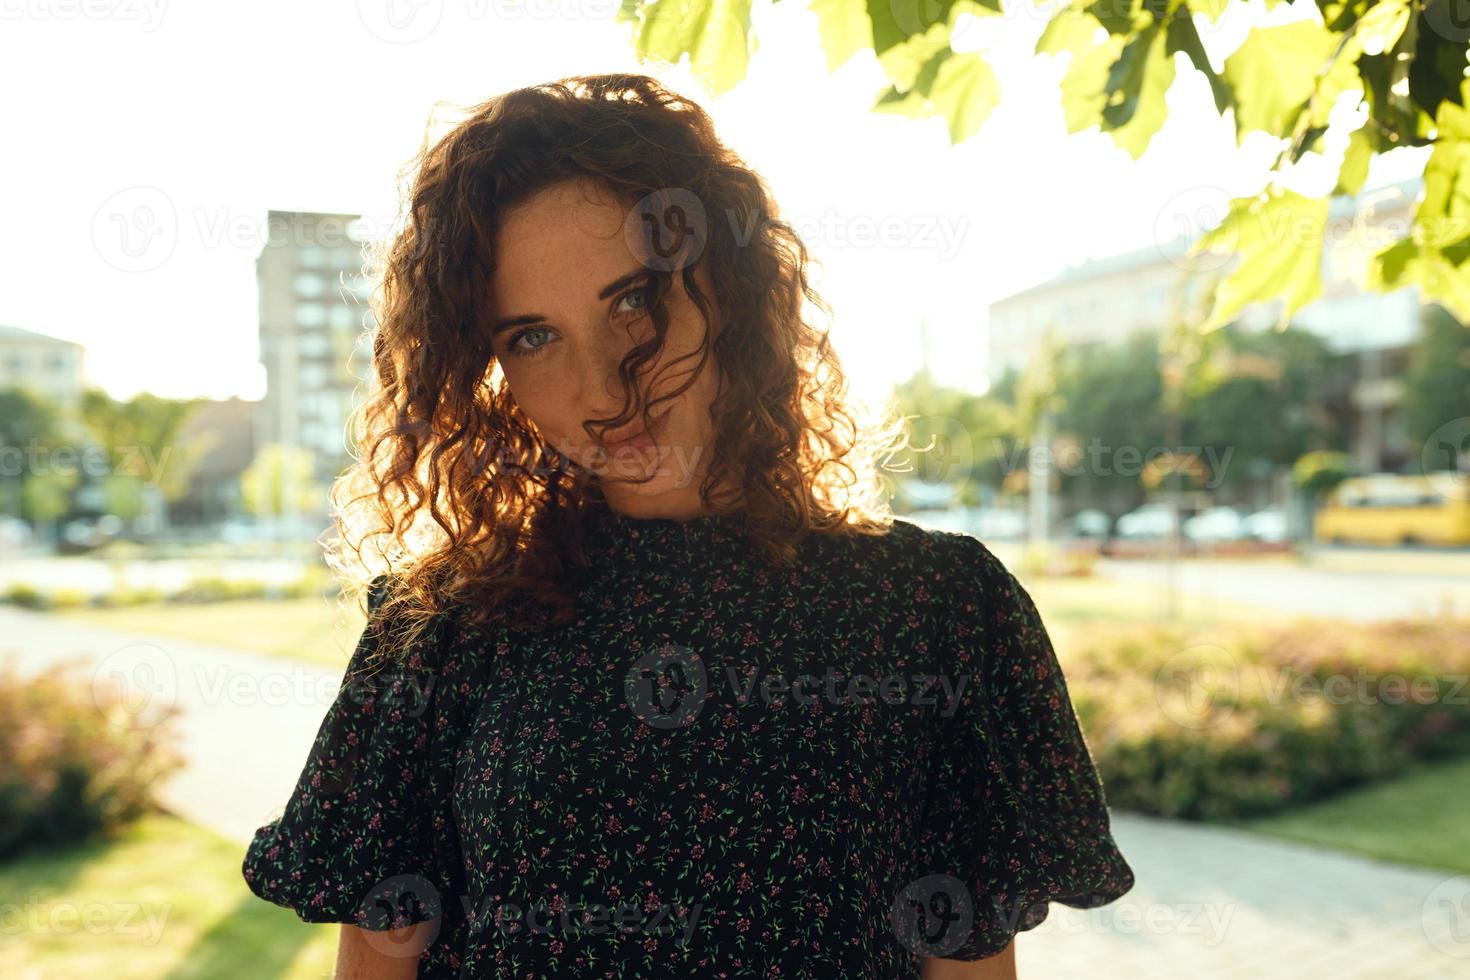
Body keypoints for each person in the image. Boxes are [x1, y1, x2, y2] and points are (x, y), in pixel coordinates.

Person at [241, 72, 1135, 979]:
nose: (601, 390)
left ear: (734, 286)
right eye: (532, 337)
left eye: (632, 299)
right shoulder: (443, 628)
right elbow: (380, 957)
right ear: (490, 371)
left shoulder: (938, 609)